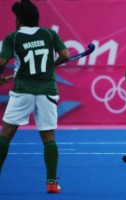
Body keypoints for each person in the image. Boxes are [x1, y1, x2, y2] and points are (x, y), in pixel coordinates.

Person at [0, 0, 70, 193]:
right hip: (47, 92)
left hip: (23, 91)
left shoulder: (12, 38)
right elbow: (65, 54)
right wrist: (50, 66)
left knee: (6, 134)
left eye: (16, 17)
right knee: (48, 137)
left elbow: (2, 61)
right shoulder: (49, 34)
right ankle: (52, 183)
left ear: (20, 19)